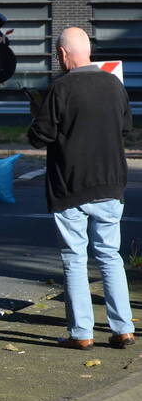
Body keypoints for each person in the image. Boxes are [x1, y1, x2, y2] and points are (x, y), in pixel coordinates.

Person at [28, 27, 133, 350]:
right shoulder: (114, 84)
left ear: (62, 55)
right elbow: (126, 129)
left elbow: (39, 136)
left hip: (70, 186)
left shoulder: (61, 89)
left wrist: (36, 112)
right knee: (110, 256)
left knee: (74, 258)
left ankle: (82, 334)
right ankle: (123, 328)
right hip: (111, 183)